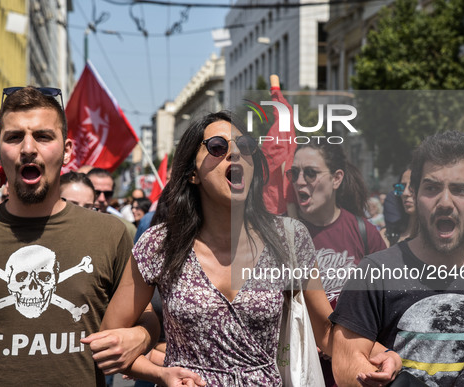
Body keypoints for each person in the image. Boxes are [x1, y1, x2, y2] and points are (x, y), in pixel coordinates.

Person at [84, 111, 401, 386]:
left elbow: (327, 332)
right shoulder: (160, 243)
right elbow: (107, 343)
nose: (235, 155)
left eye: (246, 147)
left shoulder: (289, 238)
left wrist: (379, 352)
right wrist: (161, 374)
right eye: (218, 148)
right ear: (192, 173)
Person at [0, 86, 157, 386]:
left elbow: (145, 316)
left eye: (43, 136)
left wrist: (141, 335)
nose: (28, 148)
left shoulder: (109, 233)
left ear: (67, 150)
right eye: (14, 137)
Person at [331, 131, 464, 386]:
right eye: (432, 188)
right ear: (414, 193)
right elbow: (346, 363)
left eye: (460, 190)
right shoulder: (375, 272)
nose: (445, 202)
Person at [287, 142, 388, 386]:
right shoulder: (282, 235)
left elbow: (385, 305)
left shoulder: (365, 233)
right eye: (294, 173)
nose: (300, 181)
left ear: (336, 178)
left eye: (310, 173)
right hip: (304, 372)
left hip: (358, 372)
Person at [87, 167, 137, 238]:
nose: (102, 199)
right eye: (96, 192)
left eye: (108, 194)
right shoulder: (71, 223)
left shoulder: (126, 229)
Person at [385, 168, 418, 246]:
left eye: (413, 186)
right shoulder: (388, 234)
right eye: (401, 187)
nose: (405, 193)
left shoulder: (437, 237)